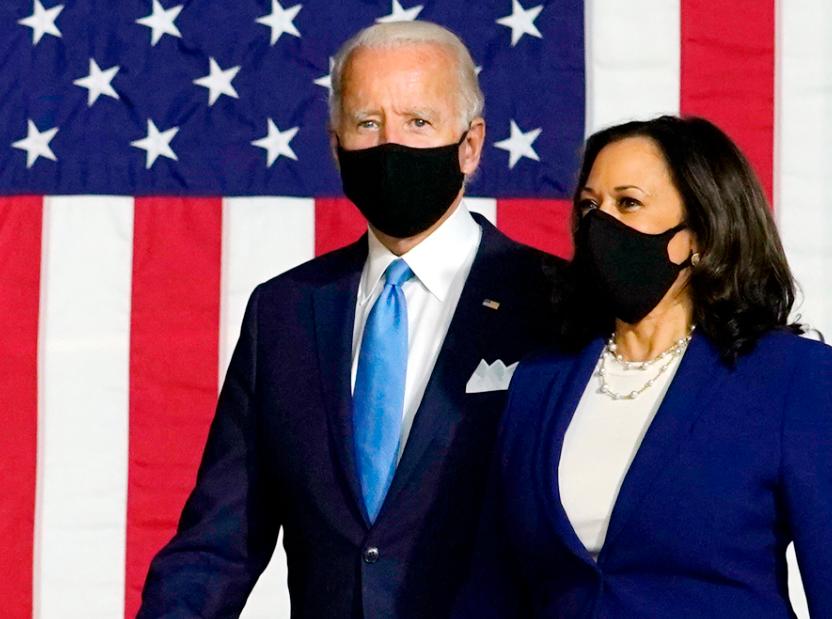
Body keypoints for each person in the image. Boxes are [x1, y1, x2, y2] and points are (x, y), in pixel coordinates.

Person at [138, 21, 562, 618]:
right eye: (368, 123)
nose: (391, 144)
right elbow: (219, 544)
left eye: (418, 121)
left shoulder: (556, 304)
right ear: (337, 146)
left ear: (470, 144)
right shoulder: (283, 313)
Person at [455, 116, 832, 618]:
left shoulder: (790, 378)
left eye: (629, 202)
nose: (601, 223)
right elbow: (492, 587)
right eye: (590, 206)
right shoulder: (539, 381)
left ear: (700, 233)